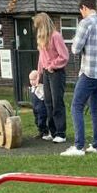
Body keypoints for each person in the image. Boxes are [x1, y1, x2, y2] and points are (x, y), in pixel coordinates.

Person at [64, 0, 97, 157]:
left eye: (81, 11)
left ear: (84, 8)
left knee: (76, 106)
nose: (81, 14)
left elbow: (75, 49)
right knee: (95, 109)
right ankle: (96, 146)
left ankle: (79, 147)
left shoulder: (85, 23)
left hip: (88, 72)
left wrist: (75, 40)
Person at [33, 13, 70, 144]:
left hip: (56, 73)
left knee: (57, 102)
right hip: (46, 73)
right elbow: (41, 58)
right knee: (48, 102)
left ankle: (61, 133)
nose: (37, 29)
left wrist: (52, 65)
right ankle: (52, 131)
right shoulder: (42, 38)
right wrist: (39, 74)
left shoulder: (56, 36)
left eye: (38, 26)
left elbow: (64, 56)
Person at [28, 70, 50, 140]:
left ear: (38, 79)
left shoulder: (41, 87)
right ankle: (41, 132)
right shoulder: (32, 88)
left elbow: (43, 96)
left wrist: (38, 89)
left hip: (41, 108)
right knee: (36, 121)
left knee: (41, 121)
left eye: (34, 79)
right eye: (30, 80)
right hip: (35, 108)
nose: (32, 82)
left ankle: (45, 131)